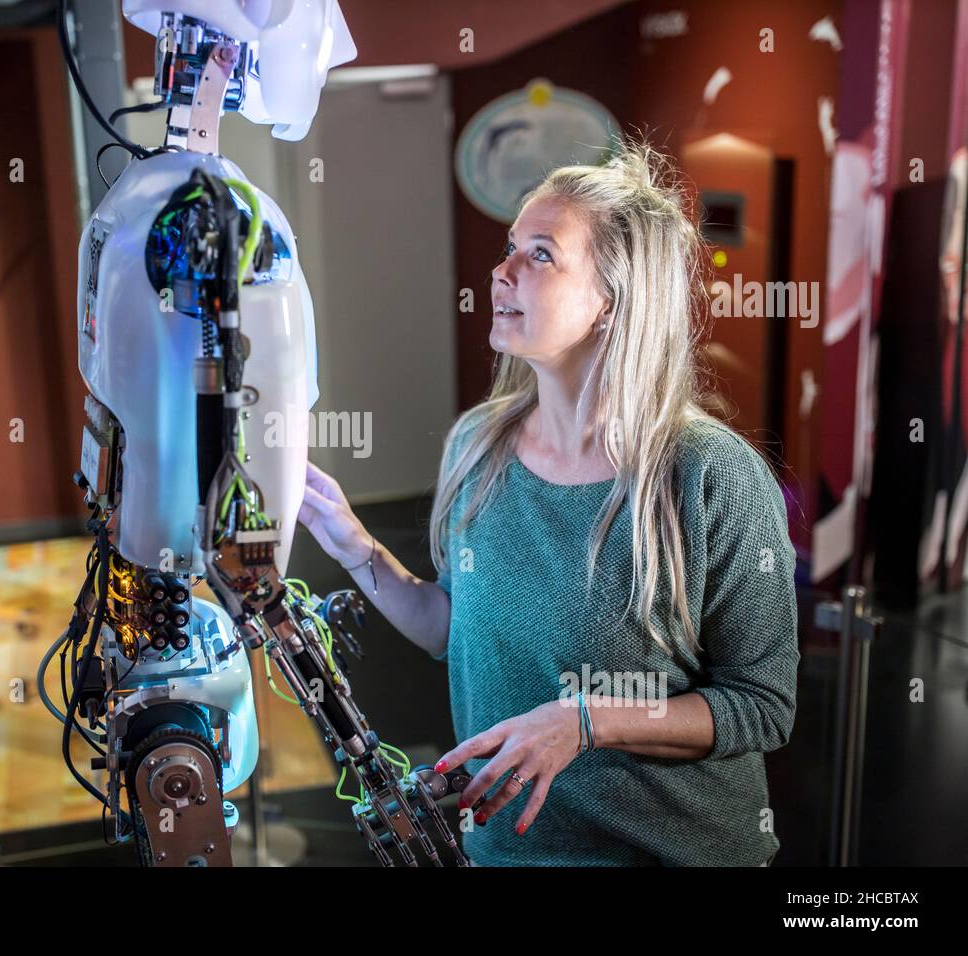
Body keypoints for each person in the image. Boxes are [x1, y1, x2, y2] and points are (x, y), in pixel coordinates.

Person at [298, 141, 799, 866]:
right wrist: (356, 548)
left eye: (540, 255)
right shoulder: (478, 443)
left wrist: (586, 722)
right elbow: (455, 634)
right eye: (508, 249)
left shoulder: (711, 476)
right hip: (507, 854)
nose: (499, 273)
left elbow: (762, 704)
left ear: (610, 301)